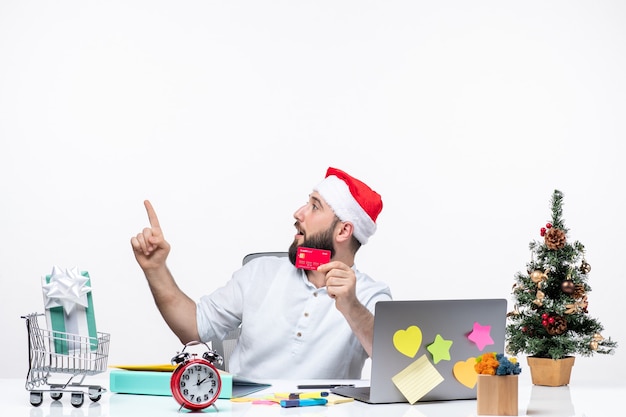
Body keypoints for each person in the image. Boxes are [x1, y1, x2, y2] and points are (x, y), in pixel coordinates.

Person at [131, 167, 392, 379]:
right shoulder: (258, 272)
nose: (298, 213)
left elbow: (399, 375)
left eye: (314, 206)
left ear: (344, 231)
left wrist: (352, 307)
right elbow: (194, 329)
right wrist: (155, 269)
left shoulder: (371, 296)